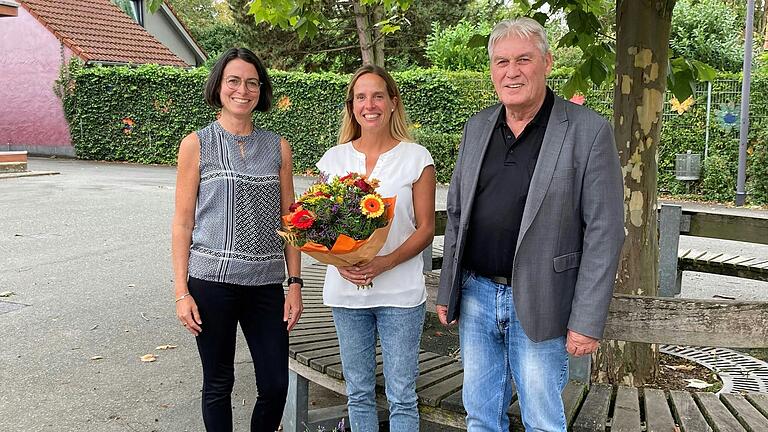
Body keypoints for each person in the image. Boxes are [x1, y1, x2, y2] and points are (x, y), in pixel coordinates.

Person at [436, 18, 625, 431]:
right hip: (476, 295)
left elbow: (604, 233)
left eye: (524, 59)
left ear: (547, 62)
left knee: (542, 422)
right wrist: (447, 288)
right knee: (481, 418)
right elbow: (456, 214)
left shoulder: (588, 132)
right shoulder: (477, 126)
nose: (512, 71)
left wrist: (586, 321)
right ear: (491, 70)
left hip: (543, 301)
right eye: (501, 61)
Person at [171, 47, 303, 432]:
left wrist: (294, 283)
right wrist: (182, 292)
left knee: (276, 385)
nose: (242, 90)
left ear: (261, 90)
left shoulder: (278, 146)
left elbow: (291, 220)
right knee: (218, 384)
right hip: (211, 282)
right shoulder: (196, 143)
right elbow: (182, 223)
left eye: (251, 82)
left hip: (265, 284)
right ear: (219, 86)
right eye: (234, 81)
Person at [315, 64, 436, 431]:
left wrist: (383, 263)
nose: (370, 104)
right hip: (346, 294)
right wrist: (339, 262)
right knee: (359, 393)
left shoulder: (417, 158)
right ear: (352, 106)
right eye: (361, 97)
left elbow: (426, 229)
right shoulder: (334, 160)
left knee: (402, 396)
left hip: (400, 294)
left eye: (378, 96)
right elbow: (318, 225)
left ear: (393, 102)